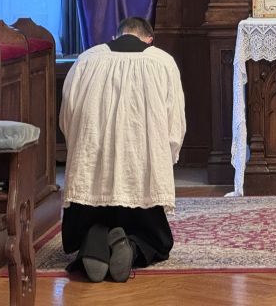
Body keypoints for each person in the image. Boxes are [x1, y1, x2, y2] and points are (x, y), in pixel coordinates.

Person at [60, 17, 186, 282]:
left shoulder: (87, 59)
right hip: (140, 177)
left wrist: (80, 151)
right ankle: (132, 246)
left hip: (90, 176)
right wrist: (165, 158)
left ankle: (92, 243)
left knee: (89, 217)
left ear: (116, 37)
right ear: (149, 40)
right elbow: (175, 123)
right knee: (157, 241)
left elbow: (67, 115)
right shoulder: (162, 61)